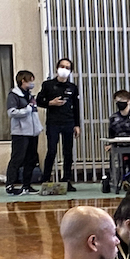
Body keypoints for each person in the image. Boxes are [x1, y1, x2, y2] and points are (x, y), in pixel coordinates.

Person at [38, 58, 80, 191]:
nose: (64, 69)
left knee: (68, 152)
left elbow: (77, 107)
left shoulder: (72, 87)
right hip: (53, 123)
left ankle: (66, 179)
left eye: (67, 67)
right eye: (62, 66)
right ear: (57, 68)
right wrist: (51, 103)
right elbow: (38, 101)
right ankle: (45, 179)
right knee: (52, 150)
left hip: (68, 122)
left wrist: (77, 125)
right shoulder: (48, 85)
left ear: (70, 71)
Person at [6, 69, 42, 195]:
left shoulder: (30, 95)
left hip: (32, 132)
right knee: (17, 158)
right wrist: (27, 108)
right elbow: (11, 112)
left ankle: (27, 185)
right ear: (23, 81)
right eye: (30, 81)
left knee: (31, 159)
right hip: (20, 133)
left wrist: (38, 127)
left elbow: (34, 113)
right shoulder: (14, 95)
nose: (32, 84)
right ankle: (10, 185)